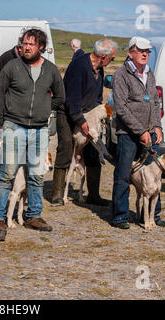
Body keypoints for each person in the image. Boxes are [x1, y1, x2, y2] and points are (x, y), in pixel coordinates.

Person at [0, 28, 65, 236]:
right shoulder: (12, 67)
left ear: (41, 47)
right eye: (24, 43)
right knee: (6, 175)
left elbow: (60, 97)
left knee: (36, 175)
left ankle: (33, 215)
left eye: (31, 44)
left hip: (39, 129)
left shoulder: (51, 70)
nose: (27, 47)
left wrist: (44, 107)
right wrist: (2, 122)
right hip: (14, 126)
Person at [52, 39, 117, 206]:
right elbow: (72, 99)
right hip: (67, 113)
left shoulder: (99, 69)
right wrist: (81, 121)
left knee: (93, 150)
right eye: (112, 58)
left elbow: (96, 97)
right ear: (103, 57)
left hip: (88, 114)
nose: (112, 61)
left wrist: (94, 119)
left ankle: (93, 195)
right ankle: (58, 194)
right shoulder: (78, 66)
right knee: (66, 147)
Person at [111, 36, 165, 229]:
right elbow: (121, 108)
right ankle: (120, 216)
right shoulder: (121, 75)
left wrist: (157, 127)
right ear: (130, 53)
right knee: (124, 175)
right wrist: (140, 131)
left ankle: (152, 216)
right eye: (141, 50)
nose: (145, 54)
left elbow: (155, 103)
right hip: (128, 134)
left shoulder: (150, 74)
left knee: (154, 176)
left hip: (150, 133)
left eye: (147, 51)